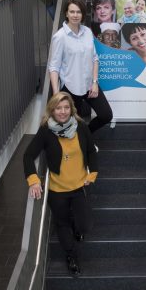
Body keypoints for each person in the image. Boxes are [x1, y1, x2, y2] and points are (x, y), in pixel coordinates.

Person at [23, 92, 97, 276]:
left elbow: (91, 151)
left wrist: (93, 172)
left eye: (66, 107)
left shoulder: (80, 126)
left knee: (84, 225)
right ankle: (71, 256)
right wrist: (33, 180)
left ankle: (77, 229)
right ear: (52, 110)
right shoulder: (46, 130)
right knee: (62, 224)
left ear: (71, 108)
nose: (62, 112)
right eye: (58, 108)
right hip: (57, 190)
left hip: (80, 186)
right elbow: (28, 156)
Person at [49, 0, 113, 133]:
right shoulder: (60, 37)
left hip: (89, 85)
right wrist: (56, 94)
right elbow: (54, 67)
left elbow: (95, 58)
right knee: (72, 126)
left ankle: (86, 136)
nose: (75, 15)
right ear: (66, 13)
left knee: (106, 115)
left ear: (82, 15)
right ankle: (81, 143)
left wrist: (95, 82)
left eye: (78, 12)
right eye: (72, 11)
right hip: (70, 87)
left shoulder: (88, 32)